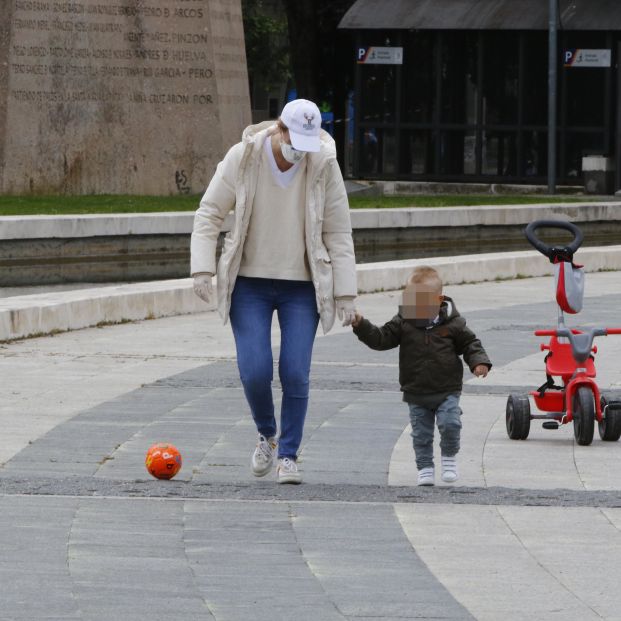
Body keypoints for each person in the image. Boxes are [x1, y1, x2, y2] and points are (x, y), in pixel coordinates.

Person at [190, 99, 357, 484]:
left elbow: (338, 231)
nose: (298, 149)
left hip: (302, 284)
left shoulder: (323, 164)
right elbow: (209, 213)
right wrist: (201, 269)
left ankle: (289, 455)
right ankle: (267, 433)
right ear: (279, 129)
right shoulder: (243, 157)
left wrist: (345, 294)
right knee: (255, 369)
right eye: (293, 138)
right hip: (249, 282)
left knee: (295, 372)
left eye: (306, 141)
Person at [351, 266, 491, 486]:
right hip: (416, 390)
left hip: (447, 388)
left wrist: (479, 361)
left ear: (438, 300)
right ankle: (425, 467)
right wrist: (361, 325)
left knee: (450, 424)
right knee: (421, 435)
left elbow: (470, 343)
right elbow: (381, 338)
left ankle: (448, 458)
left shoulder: (453, 323)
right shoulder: (403, 321)